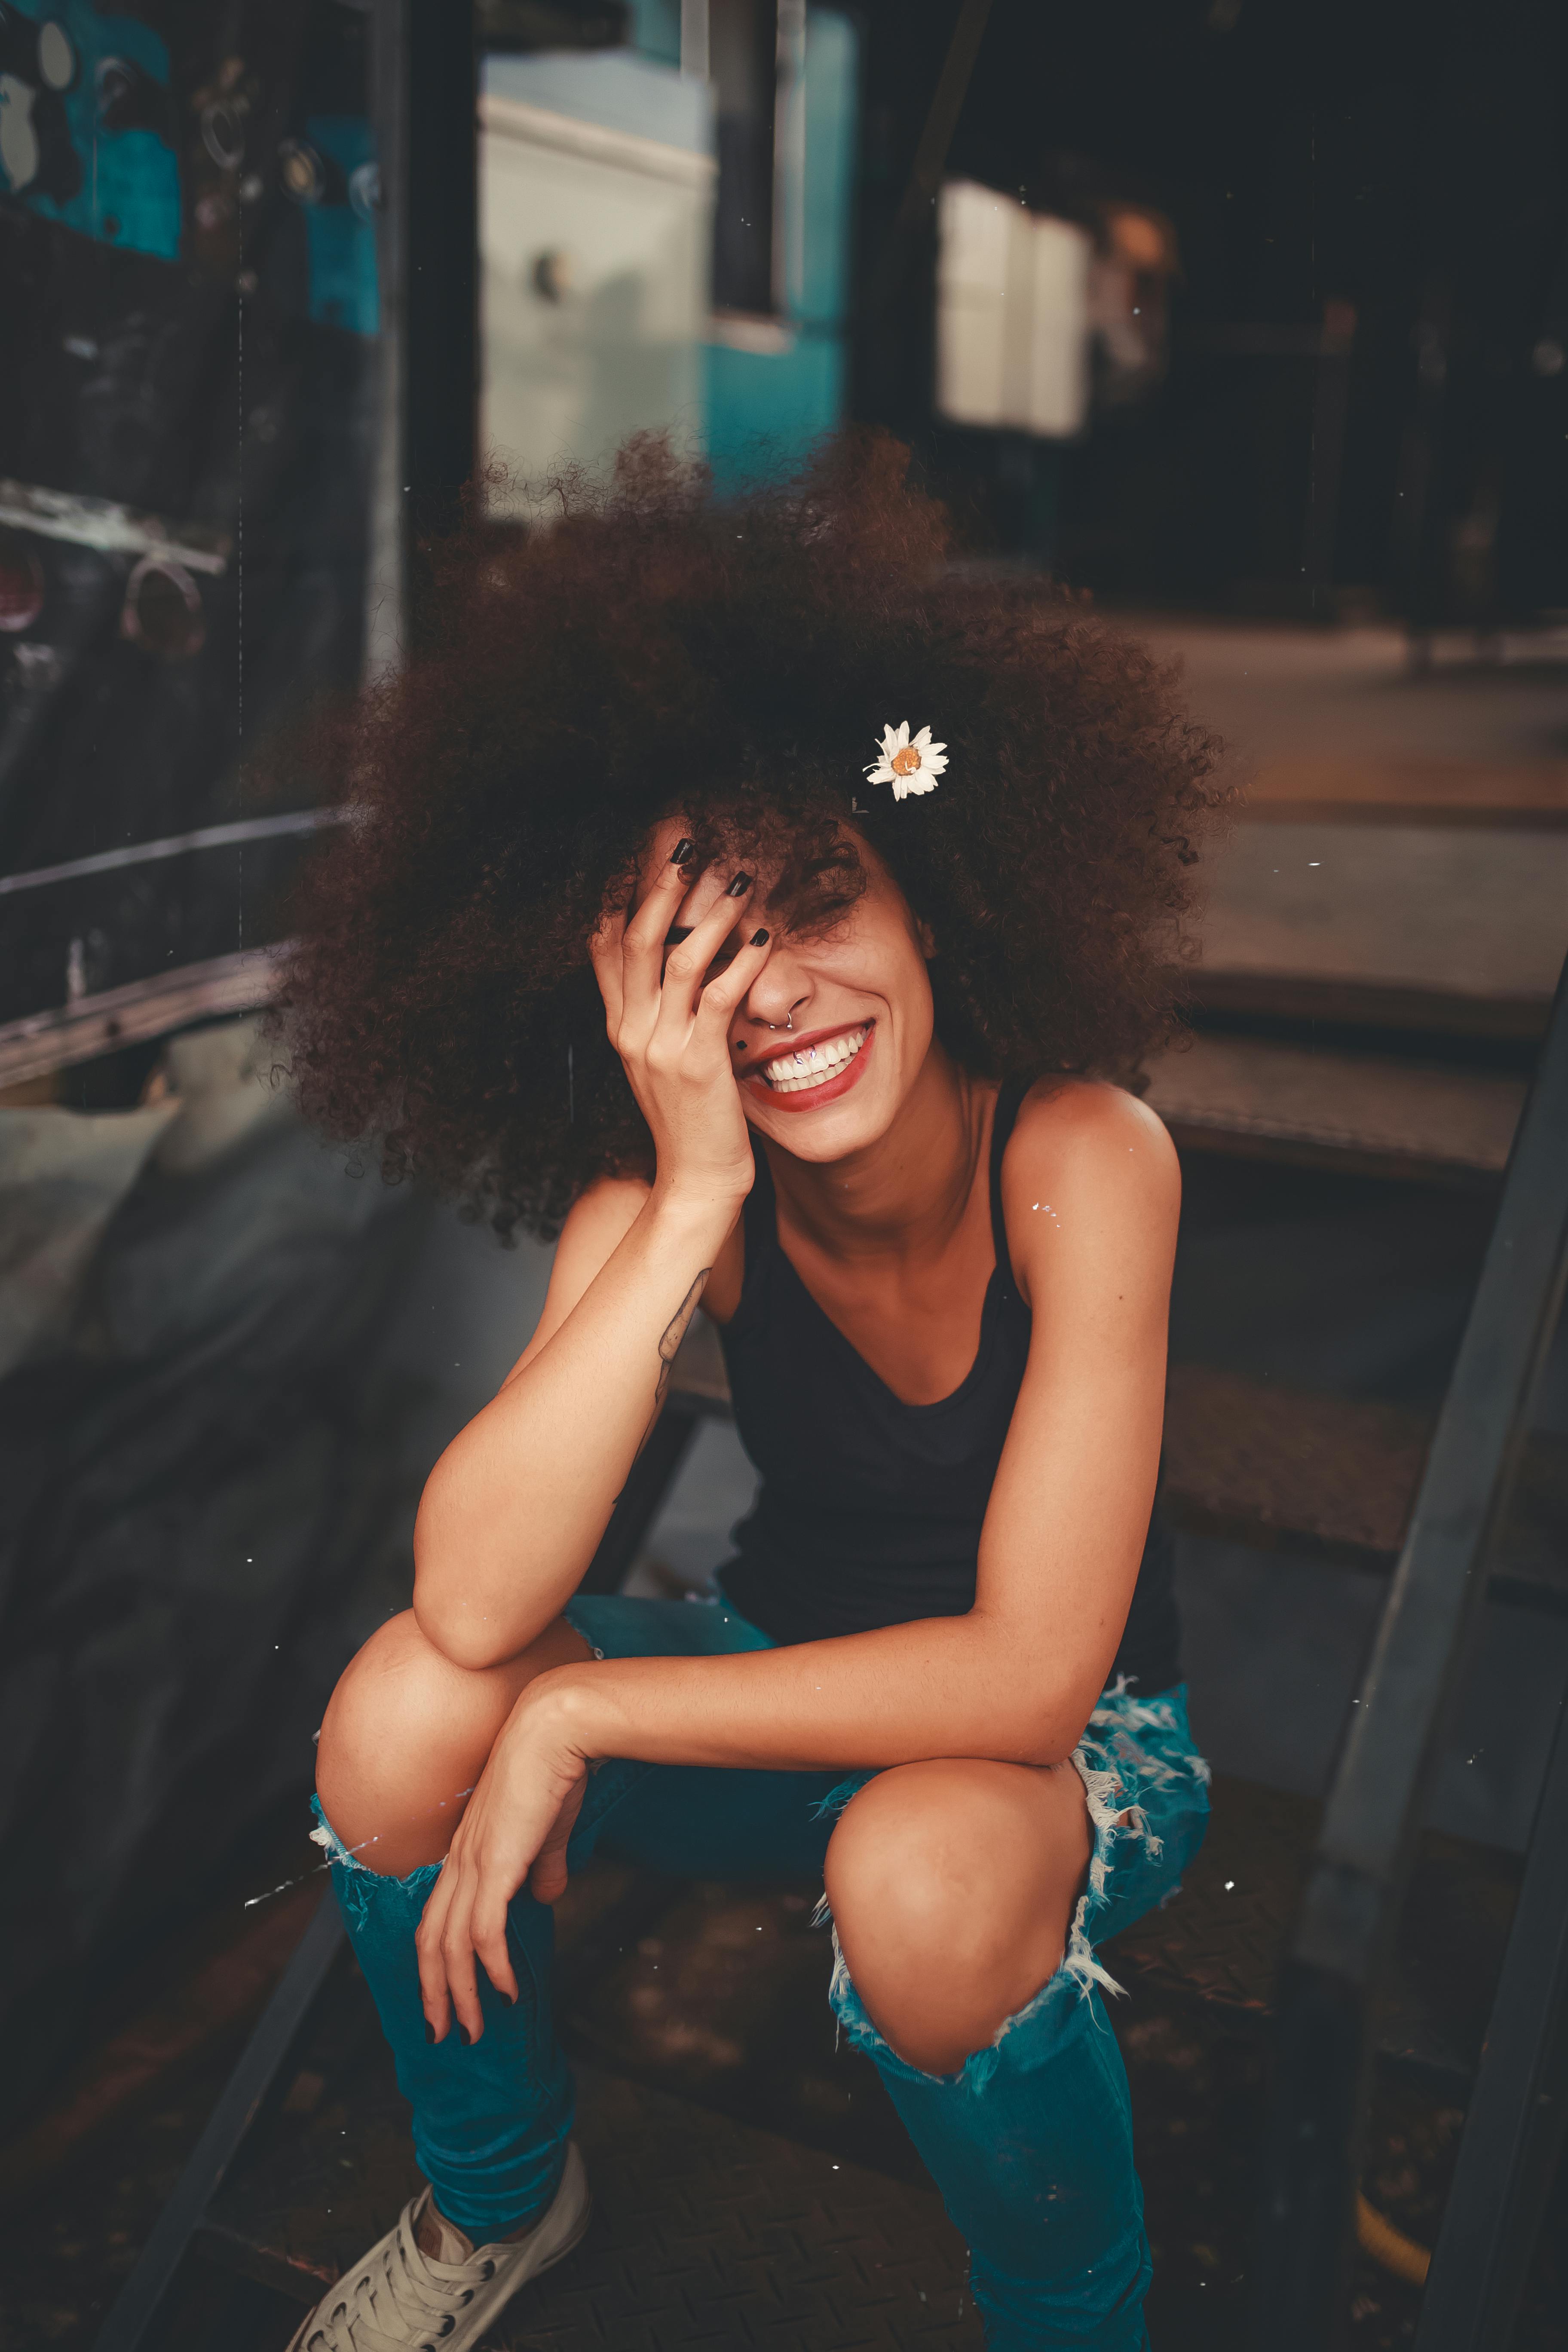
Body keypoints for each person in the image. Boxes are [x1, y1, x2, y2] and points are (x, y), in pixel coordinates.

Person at [277, 433, 1225, 2351]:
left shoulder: (1083, 1155)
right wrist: (697, 1182)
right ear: (633, 992)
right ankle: (502, 2204)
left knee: (925, 1865)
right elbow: (471, 1601)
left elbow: (1034, 1672)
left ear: (937, 902)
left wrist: (588, 1720)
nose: (775, 990)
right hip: (773, 1686)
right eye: (704, 947)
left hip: (1058, 1762)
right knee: (401, 1712)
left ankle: (1078, 2321)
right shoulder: (671, 1189)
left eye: (817, 898)